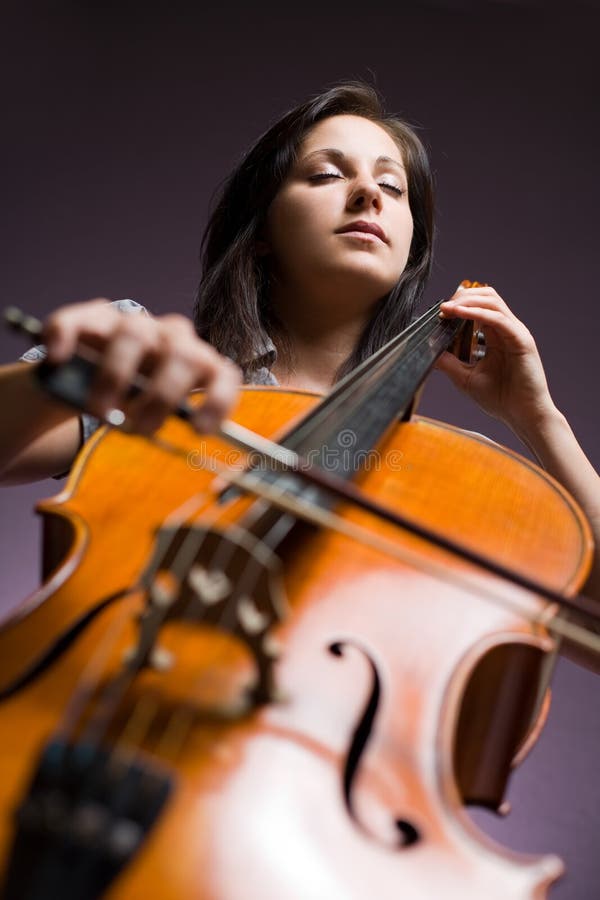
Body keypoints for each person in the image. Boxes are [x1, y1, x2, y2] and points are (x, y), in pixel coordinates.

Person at [1, 81, 599, 611]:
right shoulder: (157, 373)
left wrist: (540, 420)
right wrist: (61, 378)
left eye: (393, 187)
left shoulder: (448, 470)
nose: (369, 194)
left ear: (411, 247)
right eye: (327, 174)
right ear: (261, 229)